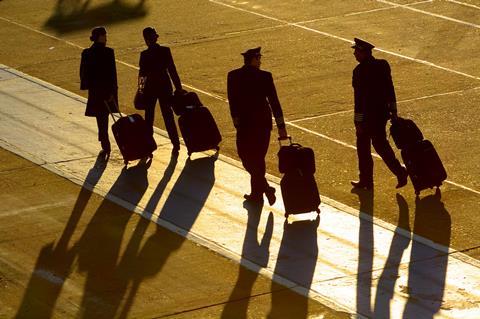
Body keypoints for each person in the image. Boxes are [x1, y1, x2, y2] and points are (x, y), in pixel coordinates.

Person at [227, 47, 288, 205]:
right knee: (258, 159)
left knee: (246, 158)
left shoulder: (233, 76)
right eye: (259, 58)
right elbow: (274, 102)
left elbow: (232, 101)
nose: (260, 62)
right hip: (262, 124)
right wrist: (281, 125)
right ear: (254, 59)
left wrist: (235, 119)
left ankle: (257, 194)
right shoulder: (265, 77)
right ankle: (266, 188)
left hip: (245, 125)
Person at [350, 38, 408, 190]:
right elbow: (390, 89)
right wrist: (393, 111)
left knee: (365, 150)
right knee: (380, 146)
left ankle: (368, 180)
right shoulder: (383, 65)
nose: (355, 54)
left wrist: (357, 122)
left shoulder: (359, 71)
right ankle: (397, 172)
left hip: (367, 118)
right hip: (382, 114)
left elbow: (359, 100)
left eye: (356, 51)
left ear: (363, 52)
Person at [138, 27, 186, 154]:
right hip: (164, 87)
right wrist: (178, 87)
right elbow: (172, 70)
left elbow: (142, 75)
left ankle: (148, 146)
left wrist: (141, 91)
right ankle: (175, 144)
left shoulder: (144, 55)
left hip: (149, 89)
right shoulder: (165, 51)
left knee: (149, 118)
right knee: (168, 116)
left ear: (146, 40)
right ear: (156, 37)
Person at [80, 26, 118, 158]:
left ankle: (105, 145)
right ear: (101, 37)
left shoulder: (86, 53)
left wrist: (89, 86)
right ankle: (105, 144)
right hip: (107, 92)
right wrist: (113, 92)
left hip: (95, 93)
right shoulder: (108, 52)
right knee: (105, 118)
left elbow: (84, 74)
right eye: (105, 36)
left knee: (100, 120)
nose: (106, 38)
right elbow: (112, 75)